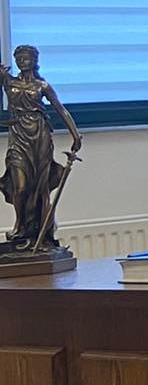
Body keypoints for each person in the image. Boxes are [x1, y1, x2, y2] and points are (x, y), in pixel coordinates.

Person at [2, 44, 82, 250]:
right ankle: (20, 226)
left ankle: (40, 232)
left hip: (40, 137)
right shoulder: (8, 81)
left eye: (26, 57)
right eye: (18, 58)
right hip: (18, 136)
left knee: (39, 187)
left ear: (34, 60)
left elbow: (61, 110)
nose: (22, 61)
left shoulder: (42, 86)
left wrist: (75, 134)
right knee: (20, 186)